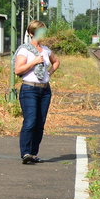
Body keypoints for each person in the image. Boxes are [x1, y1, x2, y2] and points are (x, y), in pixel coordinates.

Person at [14, 20, 60, 164]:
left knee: (40, 123)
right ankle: (25, 153)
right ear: (31, 33)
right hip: (29, 89)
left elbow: (56, 61)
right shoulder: (24, 50)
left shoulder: (46, 50)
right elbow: (18, 70)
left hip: (45, 90)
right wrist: (33, 62)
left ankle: (33, 153)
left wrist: (49, 73)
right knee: (30, 121)